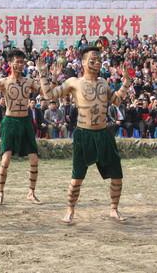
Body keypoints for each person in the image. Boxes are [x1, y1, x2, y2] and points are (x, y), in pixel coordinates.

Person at [38, 47, 132, 224]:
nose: (97, 63)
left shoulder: (104, 83)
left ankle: (114, 209)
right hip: (84, 135)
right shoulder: (74, 82)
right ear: (82, 62)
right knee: (77, 178)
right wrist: (44, 75)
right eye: (93, 60)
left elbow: (117, 100)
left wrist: (126, 83)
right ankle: (70, 210)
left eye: (99, 60)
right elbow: (49, 94)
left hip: (104, 134)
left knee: (117, 175)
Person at [0, 49, 42, 205]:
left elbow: (46, 93)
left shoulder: (28, 81)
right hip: (10, 121)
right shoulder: (4, 81)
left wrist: (44, 75)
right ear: (10, 63)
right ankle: (0, 192)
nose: (20, 64)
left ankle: (31, 192)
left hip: (25, 121)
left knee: (34, 158)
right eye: (17, 61)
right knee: (6, 158)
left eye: (22, 62)